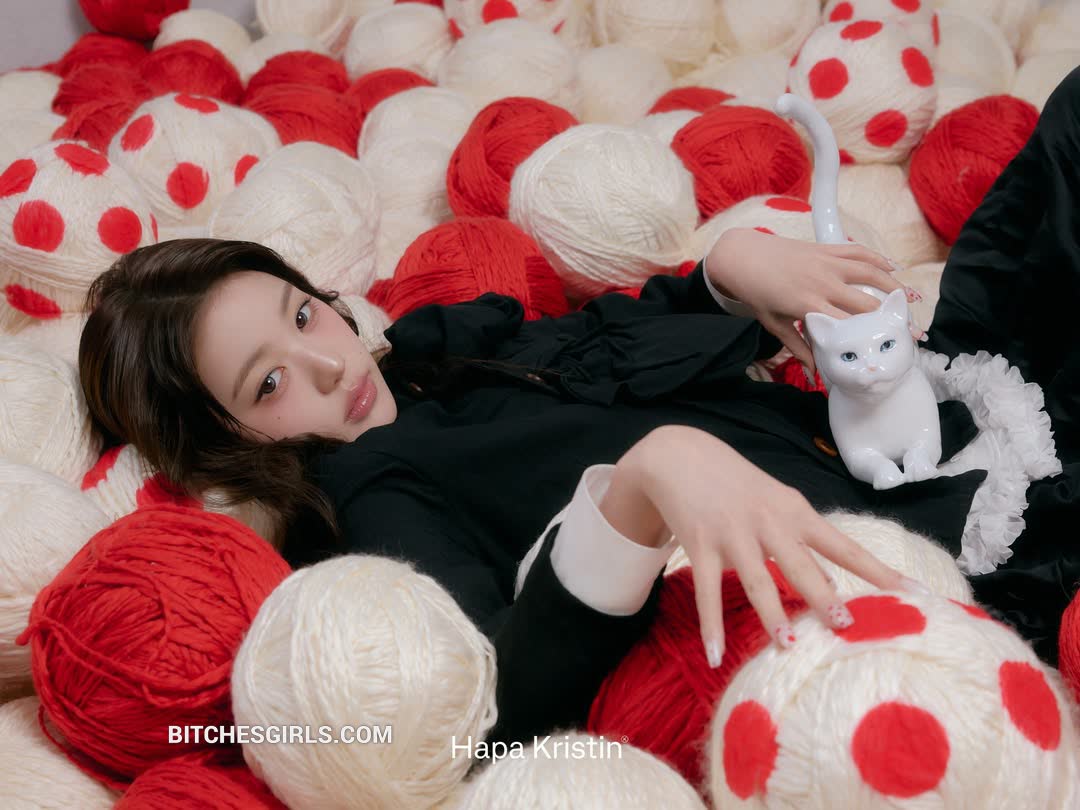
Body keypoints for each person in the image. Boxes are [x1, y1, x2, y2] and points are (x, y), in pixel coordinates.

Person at [76, 66, 1080, 747]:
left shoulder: (433, 358)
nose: (327, 364)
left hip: (930, 410)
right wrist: (636, 493)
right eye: (268, 382)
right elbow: (491, 704)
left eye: (304, 316)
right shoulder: (374, 496)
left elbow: (603, 340)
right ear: (225, 443)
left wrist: (727, 272)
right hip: (930, 552)